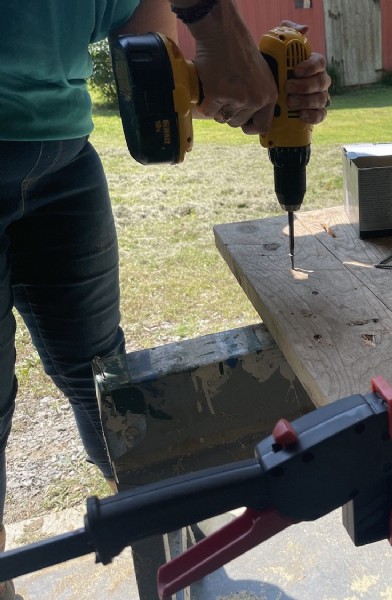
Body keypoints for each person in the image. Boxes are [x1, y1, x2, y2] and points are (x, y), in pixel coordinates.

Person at [0, 1, 330, 597]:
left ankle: (169, 533)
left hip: (63, 160)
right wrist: (214, 22)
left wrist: (242, 86)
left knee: (104, 378)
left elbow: (151, 61)